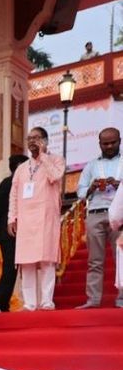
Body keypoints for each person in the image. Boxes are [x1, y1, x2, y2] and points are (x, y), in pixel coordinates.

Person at [9, 126, 66, 311]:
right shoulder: (21, 168)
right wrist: (12, 217)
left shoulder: (56, 160)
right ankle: (30, 303)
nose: (32, 141)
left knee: (47, 260)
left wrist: (43, 156)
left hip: (46, 217)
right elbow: (14, 194)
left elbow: (55, 176)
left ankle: (47, 301)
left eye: (37, 138)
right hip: (26, 220)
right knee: (26, 262)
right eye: (30, 138)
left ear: (45, 141)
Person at [76, 127, 122, 308]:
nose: (109, 146)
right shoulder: (91, 165)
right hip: (96, 213)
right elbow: (80, 192)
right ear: (99, 144)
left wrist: (119, 185)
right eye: (105, 143)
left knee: (122, 259)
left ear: (120, 141)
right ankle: (93, 300)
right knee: (94, 261)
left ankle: (122, 299)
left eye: (113, 142)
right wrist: (92, 187)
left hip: (119, 214)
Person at [0, 155, 30, 311]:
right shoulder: (9, 182)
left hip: (16, 232)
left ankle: (2, 304)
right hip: (9, 233)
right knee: (9, 269)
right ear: (18, 166)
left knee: (13, 269)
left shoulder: (20, 182)